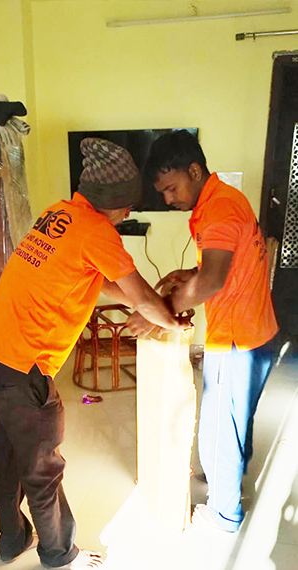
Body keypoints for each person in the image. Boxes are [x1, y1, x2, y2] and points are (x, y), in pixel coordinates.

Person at [0, 138, 186, 568]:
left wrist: (142, 304)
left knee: (9, 453)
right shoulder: (98, 231)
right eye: (128, 205)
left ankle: (12, 540)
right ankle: (59, 554)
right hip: (23, 368)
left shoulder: (60, 214)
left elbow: (96, 281)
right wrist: (174, 320)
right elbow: (142, 297)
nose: (129, 213)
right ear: (113, 201)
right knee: (43, 467)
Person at [128, 130, 278, 533]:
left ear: (194, 171)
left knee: (218, 427)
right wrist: (190, 273)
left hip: (236, 339)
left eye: (171, 188)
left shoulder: (218, 209)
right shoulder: (225, 199)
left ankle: (223, 514)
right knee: (236, 419)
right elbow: (221, 265)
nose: (168, 199)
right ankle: (229, 480)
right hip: (258, 333)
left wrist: (159, 312)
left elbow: (212, 281)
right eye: (162, 192)